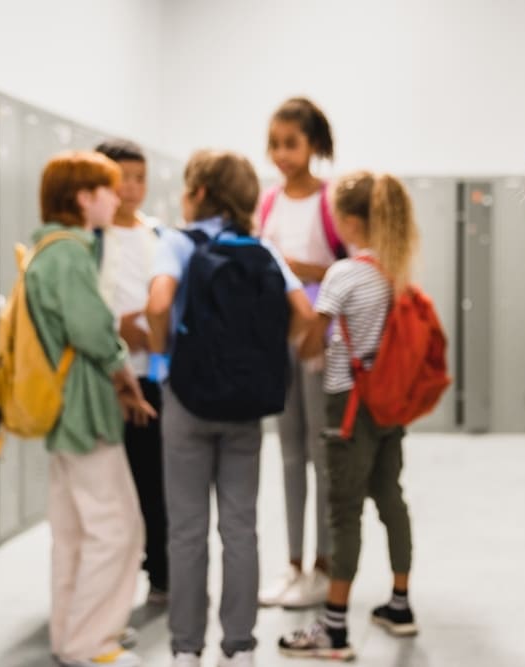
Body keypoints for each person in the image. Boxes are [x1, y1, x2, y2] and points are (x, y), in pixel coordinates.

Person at [146, 149, 314, 667]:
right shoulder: (263, 250)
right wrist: (265, 358)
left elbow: (156, 305)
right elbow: (305, 314)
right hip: (246, 407)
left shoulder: (176, 242)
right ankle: (239, 645)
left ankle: (186, 648)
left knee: (187, 528)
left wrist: (162, 362)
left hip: (188, 401)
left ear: (198, 194)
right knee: (241, 526)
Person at [277, 172, 420, 661]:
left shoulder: (343, 274)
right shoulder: (395, 270)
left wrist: (302, 324)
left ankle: (334, 629)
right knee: (390, 500)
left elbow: (311, 342)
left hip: (348, 406)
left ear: (350, 220)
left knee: (342, 511)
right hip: (388, 406)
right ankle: (400, 604)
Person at [30, 151, 156, 667]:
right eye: (108, 188)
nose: (118, 196)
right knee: (117, 527)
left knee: (74, 532)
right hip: (86, 410)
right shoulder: (71, 255)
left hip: (63, 412)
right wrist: (125, 374)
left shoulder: (47, 250)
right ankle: (92, 642)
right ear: (84, 198)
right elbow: (93, 332)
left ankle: (70, 637)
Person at [258, 97, 344, 610]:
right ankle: (292, 565)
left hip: (320, 341)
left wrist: (300, 268)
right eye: (274, 144)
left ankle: (323, 566)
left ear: (313, 144)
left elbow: (350, 272)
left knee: (321, 456)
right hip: (277, 339)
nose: (281, 154)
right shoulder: (267, 202)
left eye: (290, 143)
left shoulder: (331, 202)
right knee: (288, 454)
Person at [94, 138, 169, 605]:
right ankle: (109, 586)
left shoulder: (156, 234)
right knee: (109, 488)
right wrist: (119, 328)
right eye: (122, 179)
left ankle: (161, 572)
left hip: (153, 376)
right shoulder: (92, 238)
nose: (132, 189)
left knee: (154, 482)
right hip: (105, 377)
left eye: (140, 178)